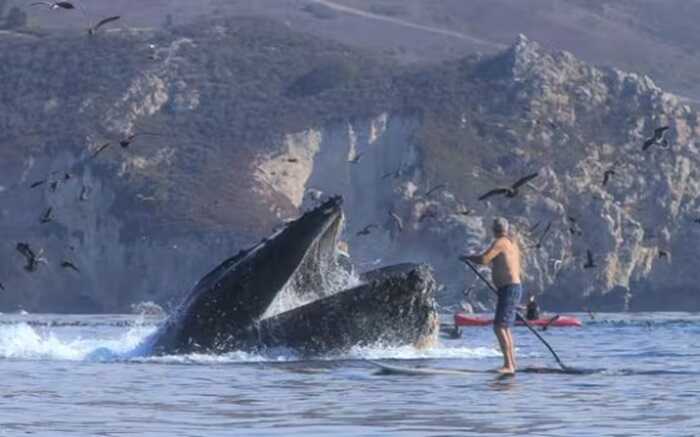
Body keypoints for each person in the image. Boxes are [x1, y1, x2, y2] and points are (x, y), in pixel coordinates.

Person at [461, 217, 523, 374]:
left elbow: (484, 259)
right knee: (505, 327)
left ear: (494, 230)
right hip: (510, 288)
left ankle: (508, 365)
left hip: (509, 288)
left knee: (499, 327)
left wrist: (467, 257)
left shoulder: (500, 242)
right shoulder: (511, 243)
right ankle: (512, 364)